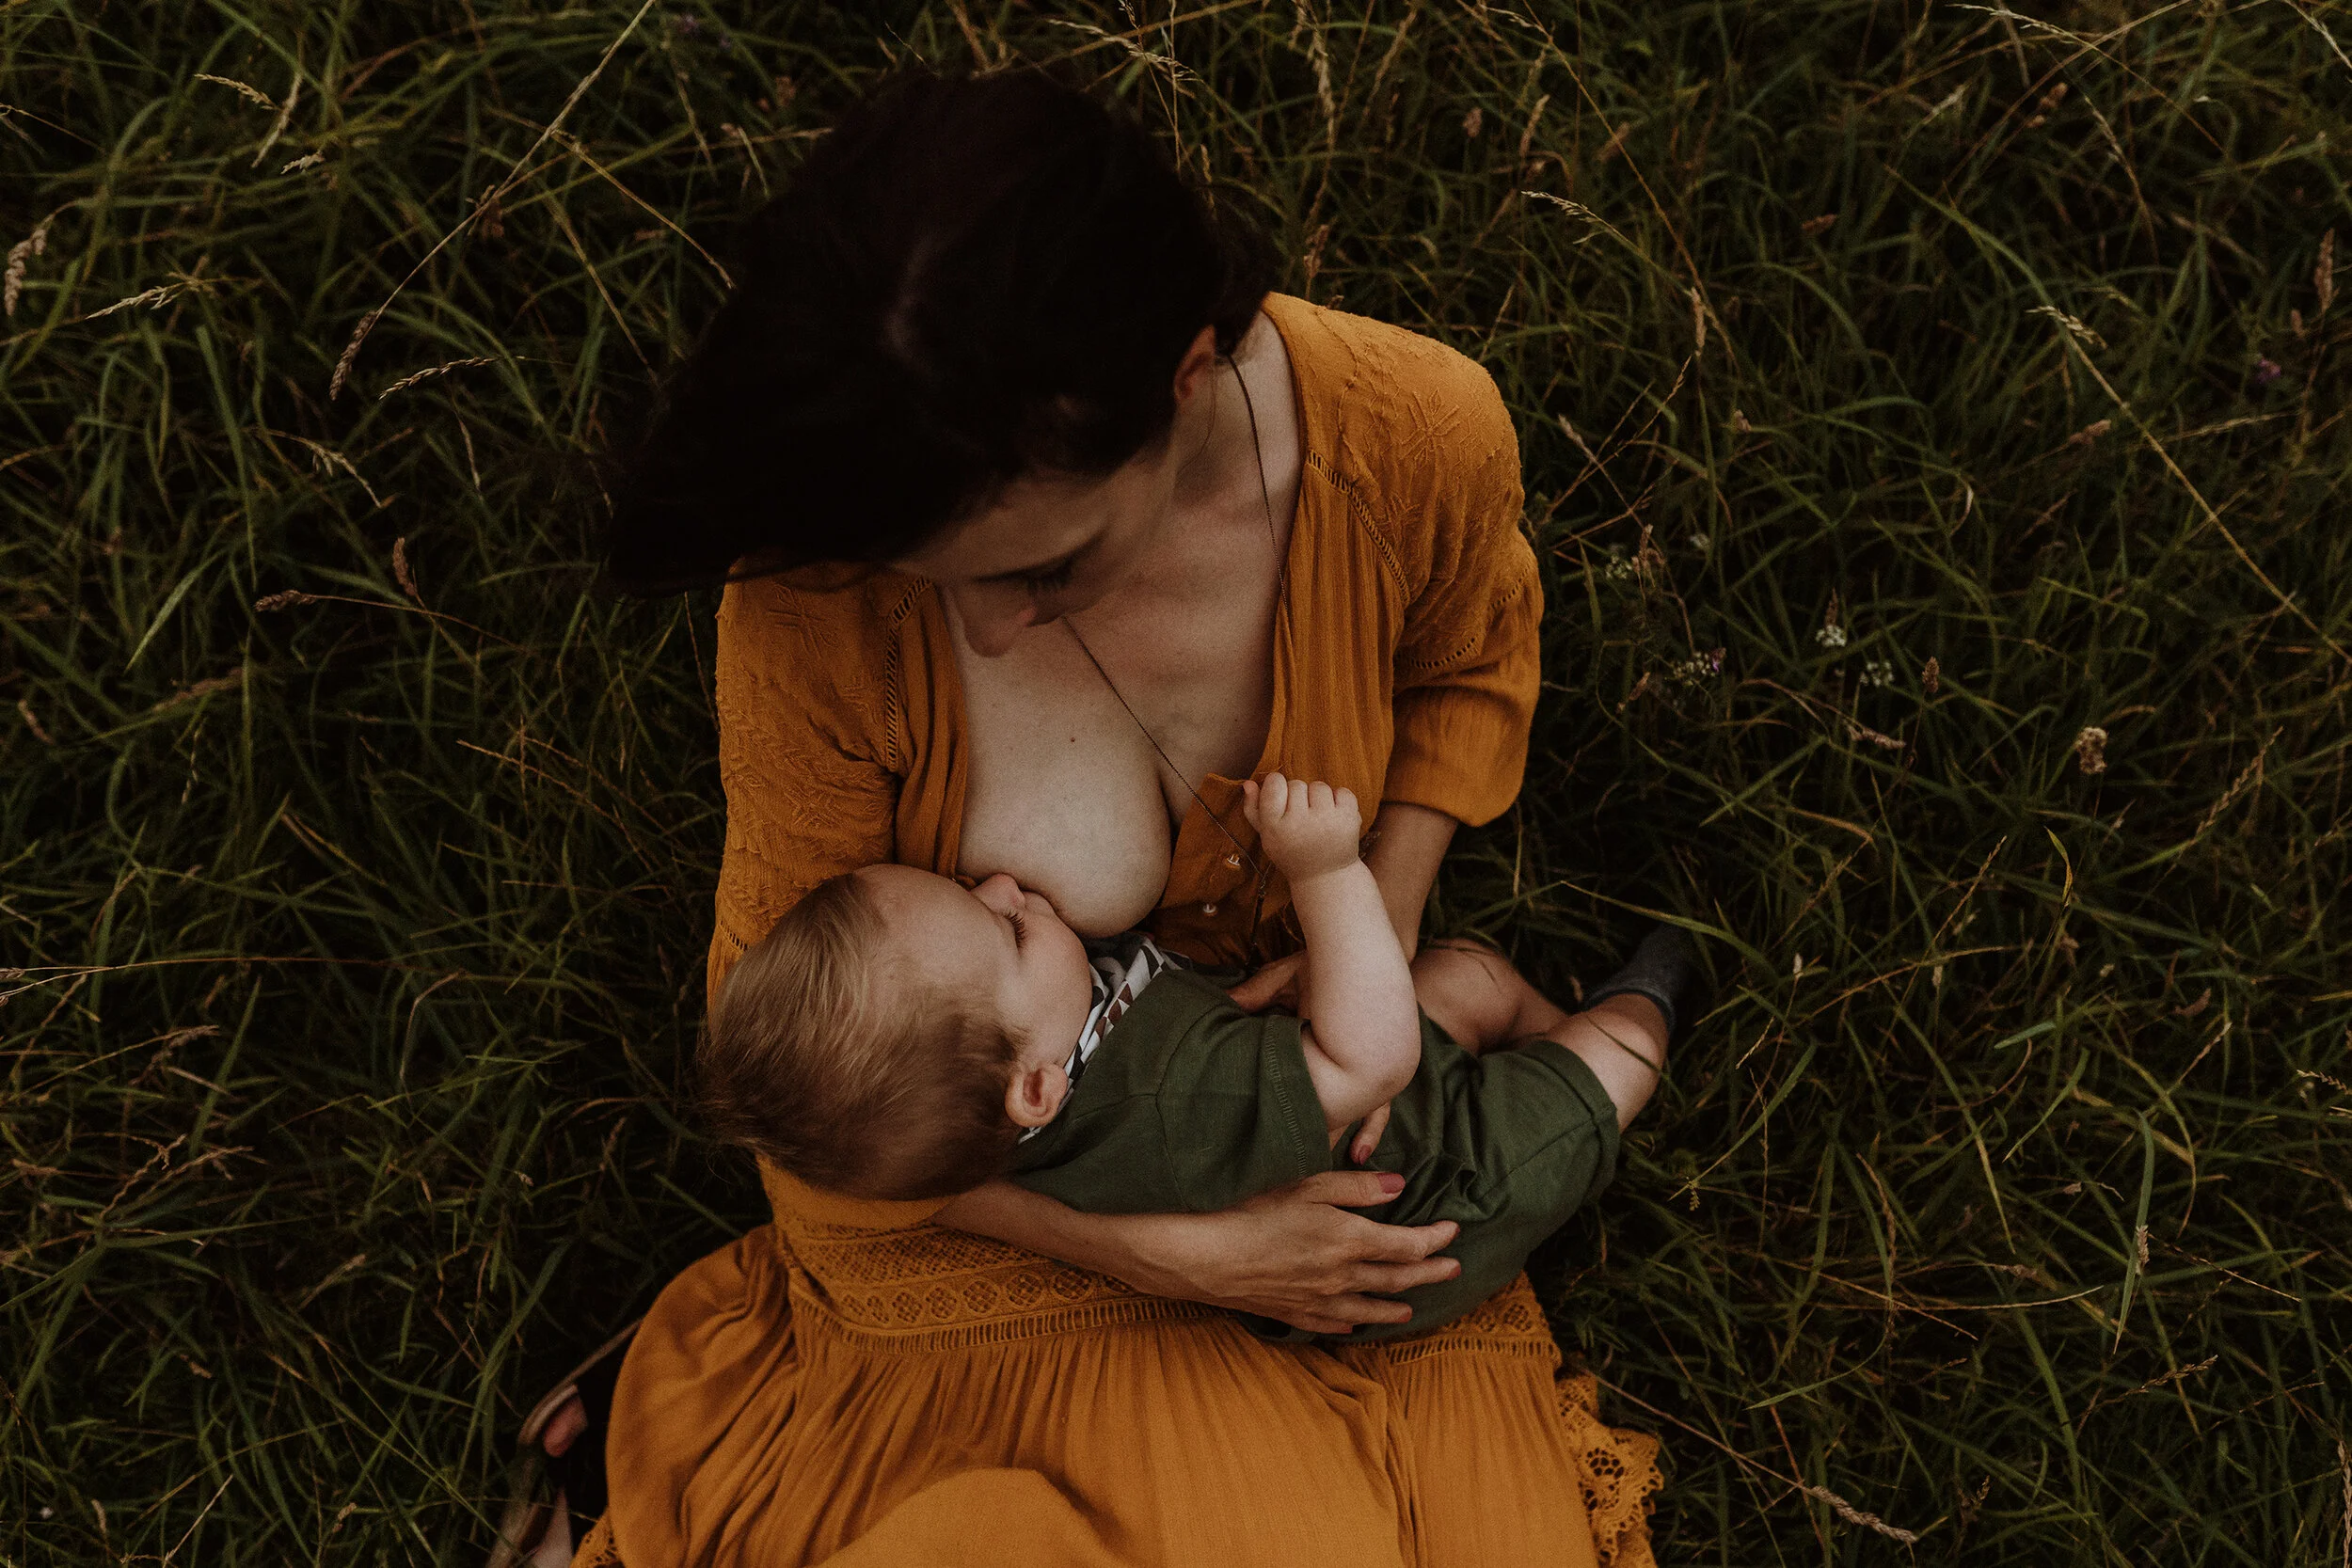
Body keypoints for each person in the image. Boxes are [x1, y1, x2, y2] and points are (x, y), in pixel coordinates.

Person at [540, 64, 1674, 1568]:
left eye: (1045, 565)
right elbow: (808, 1086)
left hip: (1297, 1168)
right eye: (945, 577)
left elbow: (1469, 664)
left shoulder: (1412, 432)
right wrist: (1175, 1253)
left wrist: (1376, 925)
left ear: (1187, 378)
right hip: (986, 1222)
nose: (994, 633)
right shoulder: (819, 602)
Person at [699, 772, 1689, 1344]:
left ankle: (1532, 1016)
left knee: (1468, 975)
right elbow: (1376, 1056)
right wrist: (1325, 871)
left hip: (1315, 1100)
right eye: (1003, 927)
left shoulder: (989, 1107)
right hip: (1430, 1193)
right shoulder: (1175, 1096)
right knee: (1603, 1065)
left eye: (970, 884)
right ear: (1039, 1084)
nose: (1006, 883)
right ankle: (1647, 995)